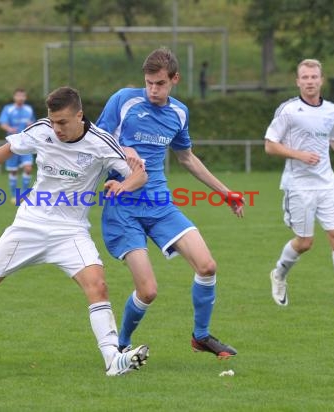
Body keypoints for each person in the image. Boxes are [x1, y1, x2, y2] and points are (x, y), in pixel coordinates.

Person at [0, 86, 150, 376]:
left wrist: (122, 185)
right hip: (29, 225)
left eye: (63, 122)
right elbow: (8, 149)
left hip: (71, 231)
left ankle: (112, 359)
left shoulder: (101, 143)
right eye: (53, 121)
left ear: (80, 115)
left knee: (98, 285)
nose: (56, 129)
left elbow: (141, 174)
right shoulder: (42, 130)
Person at [96, 48, 243, 358]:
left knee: (207, 266)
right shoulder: (124, 100)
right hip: (123, 206)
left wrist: (225, 191)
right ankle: (121, 345)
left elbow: (186, 157)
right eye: (149, 82)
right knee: (148, 291)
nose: (153, 90)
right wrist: (123, 149)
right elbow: (95, 139)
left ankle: (201, 336)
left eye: (160, 83)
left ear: (175, 79)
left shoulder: (179, 113)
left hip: (160, 205)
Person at [264, 58, 334, 309]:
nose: (310, 81)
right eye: (305, 77)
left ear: (321, 80)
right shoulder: (288, 110)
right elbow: (269, 145)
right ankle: (279, 274)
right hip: (298, 185)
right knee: (305, 242)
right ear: (298, 81)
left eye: (314, 77)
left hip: (326, 183)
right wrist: (300, 155)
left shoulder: (331, 110)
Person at [0, 88, 37, 202]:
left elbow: (33, 123)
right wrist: (9, 128)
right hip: (13, 143)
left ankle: (24, 195)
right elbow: (2, 123)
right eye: (18, 95)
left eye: (22, 96)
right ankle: (14, 195)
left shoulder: (29, 109)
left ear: (25, 97)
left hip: (26, 143)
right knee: (13, 171)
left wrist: (31, 124)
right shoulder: (8, 109)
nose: (20, 98)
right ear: (14, 97)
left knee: (28, 168)